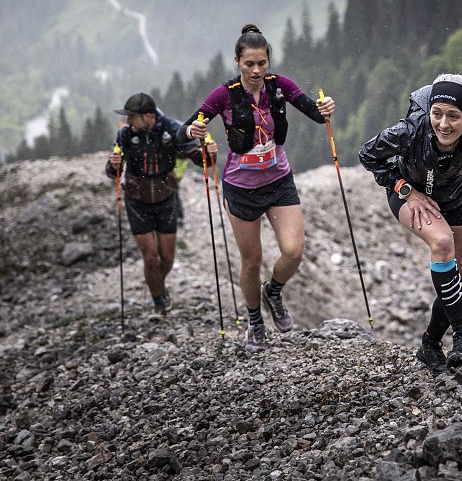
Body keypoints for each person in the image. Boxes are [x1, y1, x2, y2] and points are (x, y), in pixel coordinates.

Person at [182, 24, 335, 352]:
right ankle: (255, 321)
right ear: (237, 62)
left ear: (268, 62)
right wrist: (193, 131)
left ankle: (274, 292)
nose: (255, 70)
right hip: (240, 188)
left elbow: (314, 112)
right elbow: (189, 126)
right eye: (249, 63)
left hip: (279, 181)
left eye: (261, 63)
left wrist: (325, 110)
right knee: (251, 261)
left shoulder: (279, 87)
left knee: (293, 251)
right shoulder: (224, 94)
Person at [359, 74, 462, 371]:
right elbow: (368, 155)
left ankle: (430, 344)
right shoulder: (411, 129)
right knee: (442, 241)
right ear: (429, 111)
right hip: (410, 195)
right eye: (437, 114)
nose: (444, 124)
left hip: (455, 200)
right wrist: (406, 190)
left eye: (454, 116)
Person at [107, 92, 216, 315]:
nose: (128, 122)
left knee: (167, 258)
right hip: (136, 198)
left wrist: (208, 153)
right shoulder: (125, 135)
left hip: (165, 195)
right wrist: (113, 164)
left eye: (132, 117)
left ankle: (157, 284)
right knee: (151, 256)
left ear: (148, 117)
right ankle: (159, 302)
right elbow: (113, 172)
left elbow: (198, 156)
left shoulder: (173, 130)